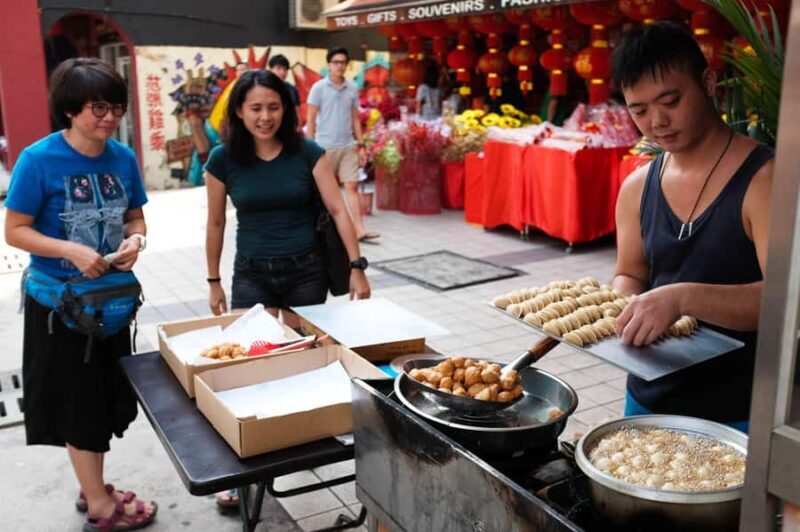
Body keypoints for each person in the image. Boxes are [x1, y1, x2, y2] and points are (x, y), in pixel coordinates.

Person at [3, 58, 157, 529]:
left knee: (99, 400)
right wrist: (70, 250)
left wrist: (136, 240)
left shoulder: (122, 157)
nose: (109, 117)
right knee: (79, 403)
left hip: (107, 303)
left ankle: (92, 486)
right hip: (59, 306)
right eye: (97, 107)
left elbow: (135, 217)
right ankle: (102, 505)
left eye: (115, 106)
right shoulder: (38, 160)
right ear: (70, 109)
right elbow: (15, 231)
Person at [610, 22, 774, 432]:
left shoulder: (767, 181)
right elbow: (629, 273)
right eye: (639, 110)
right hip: (647, 400)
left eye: (670, 100)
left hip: (741, 411)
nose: (657, 121)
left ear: (708, 82)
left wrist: (682, 298)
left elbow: (786, 300)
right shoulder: (636, 187)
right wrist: (624, 306)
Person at [204, 69, 371, 325]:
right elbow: (215, 222)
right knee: (255, 352)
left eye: (274, 107)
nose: (265, 117)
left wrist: (356, 267)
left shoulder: (308, 152)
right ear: (239, 111)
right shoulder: (222, 159)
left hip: (306, 272)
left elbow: (338, 209)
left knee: (303, 351)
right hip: (251, 274)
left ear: (285, 108)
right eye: (256, 108)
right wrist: (214, 281)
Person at [306, 47, 379, 242]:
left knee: (352, 187)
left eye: (343, 62)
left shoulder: (352, 88)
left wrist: (361, 143)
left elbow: (356, 118)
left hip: (348, 145)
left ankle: (359, 230)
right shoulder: (318, 88)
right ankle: (319, 229)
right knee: (323, 191)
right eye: (336, 62)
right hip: (324, 147)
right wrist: (309, 146)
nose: (340, 66)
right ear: (329, 65)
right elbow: (311, 119)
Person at [268, 54, 301, 127]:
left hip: (287, 127)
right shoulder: (264, 88)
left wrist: (298, 127)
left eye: (285, 69)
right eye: (278, 68)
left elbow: (296, 111)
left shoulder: (292, 89)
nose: (282, 72)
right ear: (270, 69)